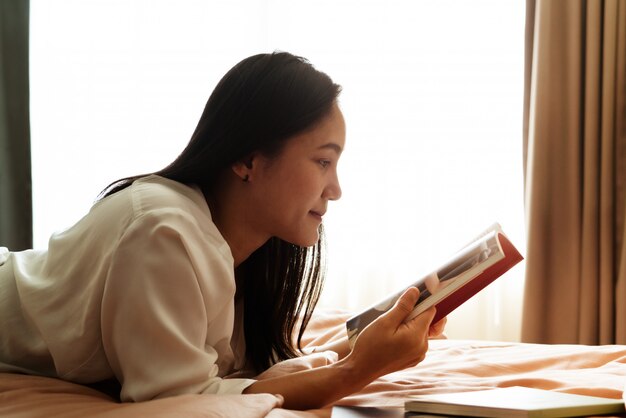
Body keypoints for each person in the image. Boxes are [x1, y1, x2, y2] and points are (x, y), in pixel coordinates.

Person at [0, 51, 444, 410]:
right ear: (247, 160)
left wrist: (360, 348)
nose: (336, 189)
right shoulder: (162, 231)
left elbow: (241, 377)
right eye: (323, 161)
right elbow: (184, 403)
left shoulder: (247, 249)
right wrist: (358, 370)